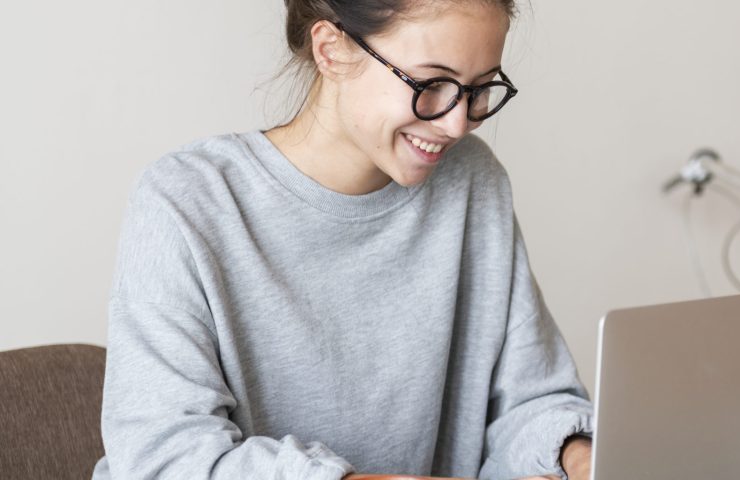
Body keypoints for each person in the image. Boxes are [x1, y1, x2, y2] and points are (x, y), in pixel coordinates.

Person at [92, 0, 594, 478]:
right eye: (432, 83)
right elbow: (164, 460)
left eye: (480, 88)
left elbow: (529, 401)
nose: (457, 122)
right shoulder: (187, 201)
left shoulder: (472, 182)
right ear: (331, 50)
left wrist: (578, 456)